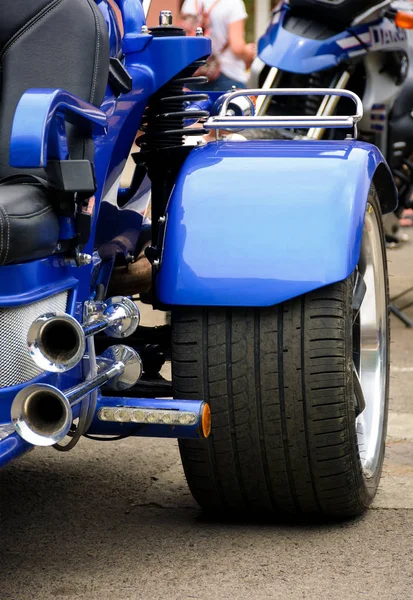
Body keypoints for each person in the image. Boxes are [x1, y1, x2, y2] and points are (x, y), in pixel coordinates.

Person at [180, 0, 256, 90]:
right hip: (228, 74)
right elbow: (237, 48)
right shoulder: (234, 3)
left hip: (194, 74)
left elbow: (184, 41)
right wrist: (251, 53)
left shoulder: (190, 3)